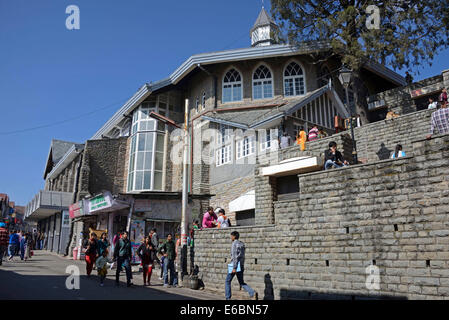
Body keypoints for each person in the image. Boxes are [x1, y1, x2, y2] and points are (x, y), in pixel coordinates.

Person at [225, 231, 257, 300]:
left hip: (235, 265)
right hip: (241, 264)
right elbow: (242, 256)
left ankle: (228, 298)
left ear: (234, 236)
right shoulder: (242, 244)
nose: (231, 237)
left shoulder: (234, 244)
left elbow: (234, 256)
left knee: (227, 281)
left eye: (231, 236)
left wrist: (234, 267)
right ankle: (252, 292)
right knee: (241, 282)